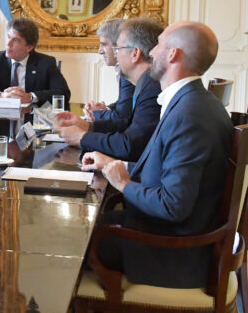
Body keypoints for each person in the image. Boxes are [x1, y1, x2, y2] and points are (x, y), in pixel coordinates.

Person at [82, 21, 233, 288]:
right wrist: (117, 165)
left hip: (174, 252)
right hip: (168, 230)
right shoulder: (190, 100)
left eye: (159, 45)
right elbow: (166, 168)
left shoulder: (190, 115)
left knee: (75, 240)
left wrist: (123, 183)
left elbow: (173, 205)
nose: (150, 52)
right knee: (87, 221)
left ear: (173, 54)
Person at [56, 18, 162, 162]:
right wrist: (88, 126)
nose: (116, 55)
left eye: (118, 49)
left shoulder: (152, 88)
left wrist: (81, 137)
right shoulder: (146, 84)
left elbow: (130, 145)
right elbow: (128, 123)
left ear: (135, 54)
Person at [0, 17, 70, 108]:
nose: (8, 43)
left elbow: (63, 93)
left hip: (32, 118)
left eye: (16, 40)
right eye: (9, 37)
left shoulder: (46, 63)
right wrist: (1, 96)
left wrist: (30, 97)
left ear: (29, 47)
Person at [85, 18, 135, 122]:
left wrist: (96, 114)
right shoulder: (122, 67)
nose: (100, 51)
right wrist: (106, 109)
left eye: (103, 45)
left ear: (118, 44)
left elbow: (122, 117)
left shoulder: (129, 70)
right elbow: (124, 103)